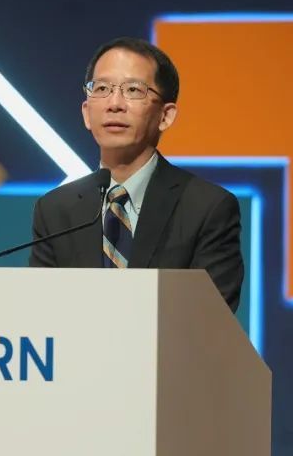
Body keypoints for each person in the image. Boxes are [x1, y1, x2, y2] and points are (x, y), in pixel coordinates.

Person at [29, 37, 243, 312]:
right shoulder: (55, 210)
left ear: (165, 116)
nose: (114, 103)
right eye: (102, 88)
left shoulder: (206, 208)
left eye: (133, 90)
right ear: (86, 113)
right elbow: (40, 315)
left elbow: (210, 318)